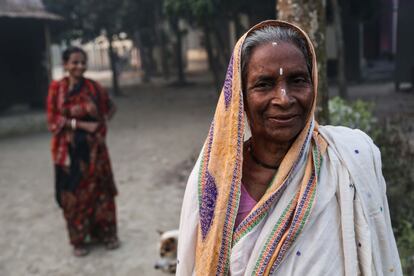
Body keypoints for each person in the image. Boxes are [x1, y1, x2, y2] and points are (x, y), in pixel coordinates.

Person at [177, 20, 402, 275]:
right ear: (241, 95)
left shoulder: (348, 159)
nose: (284, 99)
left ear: (313, 84)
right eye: (264, 84)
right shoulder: (213, 179)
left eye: (297, 80)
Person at [47, 46, 119, 257]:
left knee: (102, 192)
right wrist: (80, 125)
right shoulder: (57, 89)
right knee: (74, 196)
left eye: (82, 62)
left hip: (96, 152)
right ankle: (78, 240)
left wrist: (100, 125)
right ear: (66, 64)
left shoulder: (94, 88)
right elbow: (52, 121)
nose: (79, 66)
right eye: (74, 62)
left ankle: (107, 234)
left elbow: (110, 108)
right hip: (69, 154)